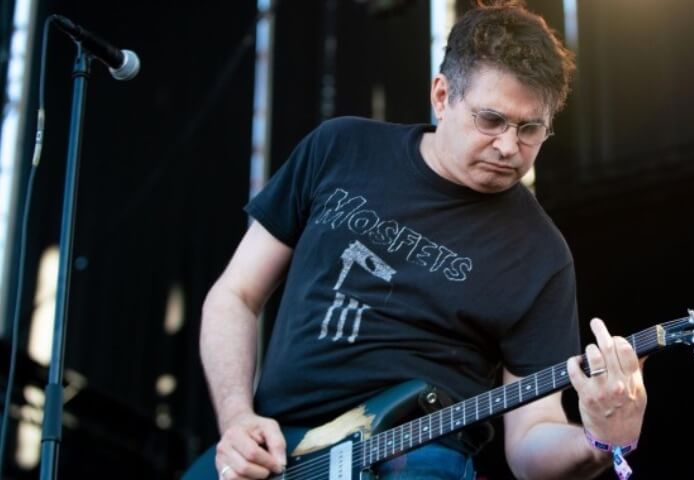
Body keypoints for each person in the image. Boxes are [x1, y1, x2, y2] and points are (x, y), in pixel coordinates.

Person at [191, 1, 647, 479]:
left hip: (415, 456)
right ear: (442, 94)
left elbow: (531, 440)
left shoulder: (541, 255)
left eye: (530, 128)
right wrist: (237, 419)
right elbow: (234, 296)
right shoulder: (340, 148)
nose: (510, 147)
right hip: (278, 452)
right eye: (490, 120)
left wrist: (599, 440)